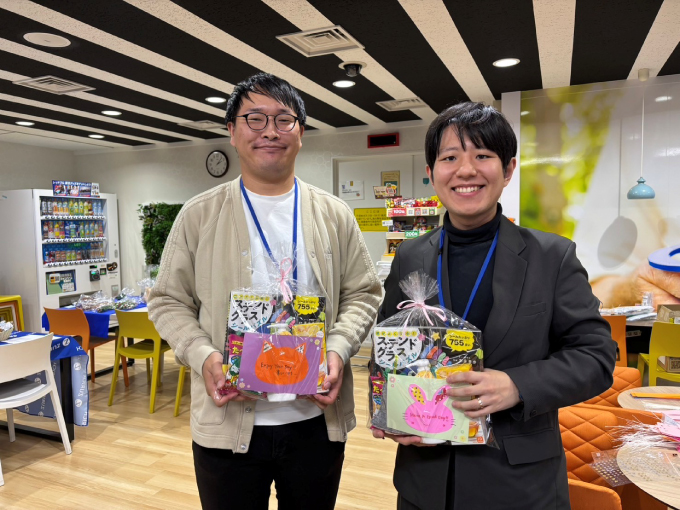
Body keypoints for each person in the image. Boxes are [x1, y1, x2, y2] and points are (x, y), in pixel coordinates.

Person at [148, 72, 382, 510]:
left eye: (283, 119)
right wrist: (204, 355)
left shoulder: (334, 214)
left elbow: (364, 293)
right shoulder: (199, 215)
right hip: (227, 424)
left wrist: (338, 348)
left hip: (315, 420)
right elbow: (166, 300)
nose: (270, 131)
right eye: (255, 119)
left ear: (301, 132)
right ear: (232, 131)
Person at [373, 102, 617, 510]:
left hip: (519, 484)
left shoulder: (551, 257)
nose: (466, 170)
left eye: (483, 155)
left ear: (507, 170)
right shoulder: (410, 256)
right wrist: (389, 411)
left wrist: (517, 385)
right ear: (432, 172)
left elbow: (596, 356)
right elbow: (387, 351)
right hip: (425, 478)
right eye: (450, 158)